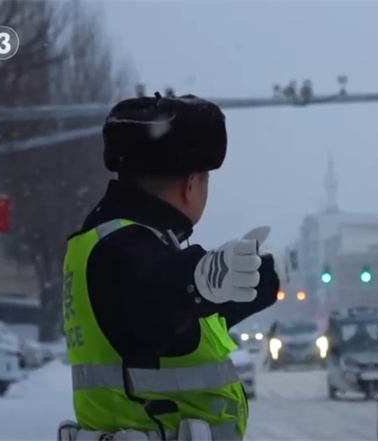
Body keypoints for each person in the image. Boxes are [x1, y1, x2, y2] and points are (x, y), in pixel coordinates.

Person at [59, 93, 280, 441]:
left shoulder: (107, 242)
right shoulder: (122, 249)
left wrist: (261, 282)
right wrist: (198, 278)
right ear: (191, 186)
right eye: (205, 180)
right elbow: (153, 291)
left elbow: (172, 328)